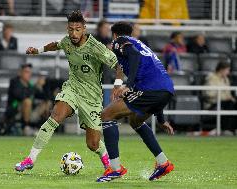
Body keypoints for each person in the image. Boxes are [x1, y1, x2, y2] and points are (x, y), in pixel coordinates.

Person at [15, 11, 119, 173]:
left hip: (91, 96)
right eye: (70, 29)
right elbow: (56, 44)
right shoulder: (67, 41)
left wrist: (118, 84)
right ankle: (30, 159)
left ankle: (109, 165)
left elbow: (118, 65)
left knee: (92, 144)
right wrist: (37, 50)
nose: (73, 33)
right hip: (72, 88)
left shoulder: (96, 47)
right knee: (55, 116)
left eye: (77, 29)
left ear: (84, 29)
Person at [97, 21, 175, 182]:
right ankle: (163, 163)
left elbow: (134, 56)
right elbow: (154, 83)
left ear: (114, 35)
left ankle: (115, 168)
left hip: (149, 89)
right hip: (165, 89)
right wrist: (161, 119)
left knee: (106, 114)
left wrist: (129, 85)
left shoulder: (120, 41)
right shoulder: (138, 44)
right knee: (135, 121)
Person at [6, 63, 51, 136]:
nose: (29, 74)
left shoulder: (30, 84)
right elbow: (21, 96)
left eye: (30, 72)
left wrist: (44, 86)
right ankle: (25, 128)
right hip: (15, 110)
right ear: (20, 73)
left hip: (30, 112)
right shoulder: (14, 82)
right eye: (26, 72)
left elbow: (45, 97)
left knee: (47, 103)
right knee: (27, 101)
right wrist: (35, 87)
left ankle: (42, 127)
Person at [203, 62, 236, 135]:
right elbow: (209, 93)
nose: (228, 72)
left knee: (233, 104)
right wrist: (223, 97)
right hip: (212, 103)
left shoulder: (226, 79)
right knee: (229, 104)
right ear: (221, 70)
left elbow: (228, 94)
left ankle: (233, 128)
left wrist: (231, 99)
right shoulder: (211, 77)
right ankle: (227, 129)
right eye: (227, 70)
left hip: (226, 102)